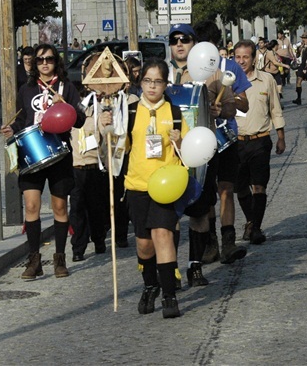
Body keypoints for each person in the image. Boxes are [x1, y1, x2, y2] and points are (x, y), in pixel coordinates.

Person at [102, 58, 187, 318]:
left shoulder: (174, 113)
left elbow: (189, 152)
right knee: (144, 245)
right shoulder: (128, 113)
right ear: (140, 83)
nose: (152, 86)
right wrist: (106, 127)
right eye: (148, 80)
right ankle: (151, 286)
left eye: (158, 81)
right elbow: (116, 150)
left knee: (164, 235)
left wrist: (180, 140)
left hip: (166, 185)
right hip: (137, 186)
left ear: (165, 84)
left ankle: (170, 296)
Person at [0, 44, 86, 279]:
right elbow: (23, 119)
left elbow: (79, 120)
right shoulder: (26, 89)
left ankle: (59, 259)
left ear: (56, 61)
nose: (45, 63)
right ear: (34, 64)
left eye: (49, 59)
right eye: (40, 60)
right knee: (31, 206)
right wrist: (11, 129)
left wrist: (64, 106)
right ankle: (34, 260)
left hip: (59, 153)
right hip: (33, 152)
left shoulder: (66, 87)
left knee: (59, 207)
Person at [191, 20, 251, 265]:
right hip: (199, 139)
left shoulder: (231, 67)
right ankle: (210, 243)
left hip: (226, 137)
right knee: (206, 195)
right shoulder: (191, 69)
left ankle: (228, 242)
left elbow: (245, 104)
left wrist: (228, 102)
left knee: (226, 189)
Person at [233, 40, 286, 244]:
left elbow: (275, 109)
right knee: (241, 188)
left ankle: (256, 227)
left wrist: (281, 136)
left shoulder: (266, 80)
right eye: (238, 57)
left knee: (259, 186)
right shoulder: (228, 83)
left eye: (246, 57)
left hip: (260, 140)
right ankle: (250, 219)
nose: (242, 61)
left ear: (254, 58)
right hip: (236, 143)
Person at [69, 99, 109, 262]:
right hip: (75, 167)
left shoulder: (98, 114)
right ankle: (78, 248)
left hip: (94, 167)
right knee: (77, 210)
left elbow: (105, 139)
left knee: (96, 208)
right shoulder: (69, 116)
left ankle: (99, 240)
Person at [292, 32, 307, 105]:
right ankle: (298, 98)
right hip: (301, 65)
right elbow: (297, 55)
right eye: (303, 38)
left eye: (305, 38)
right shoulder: (300, 46)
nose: (303, 40)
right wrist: (299, 49)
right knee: (298, 81)